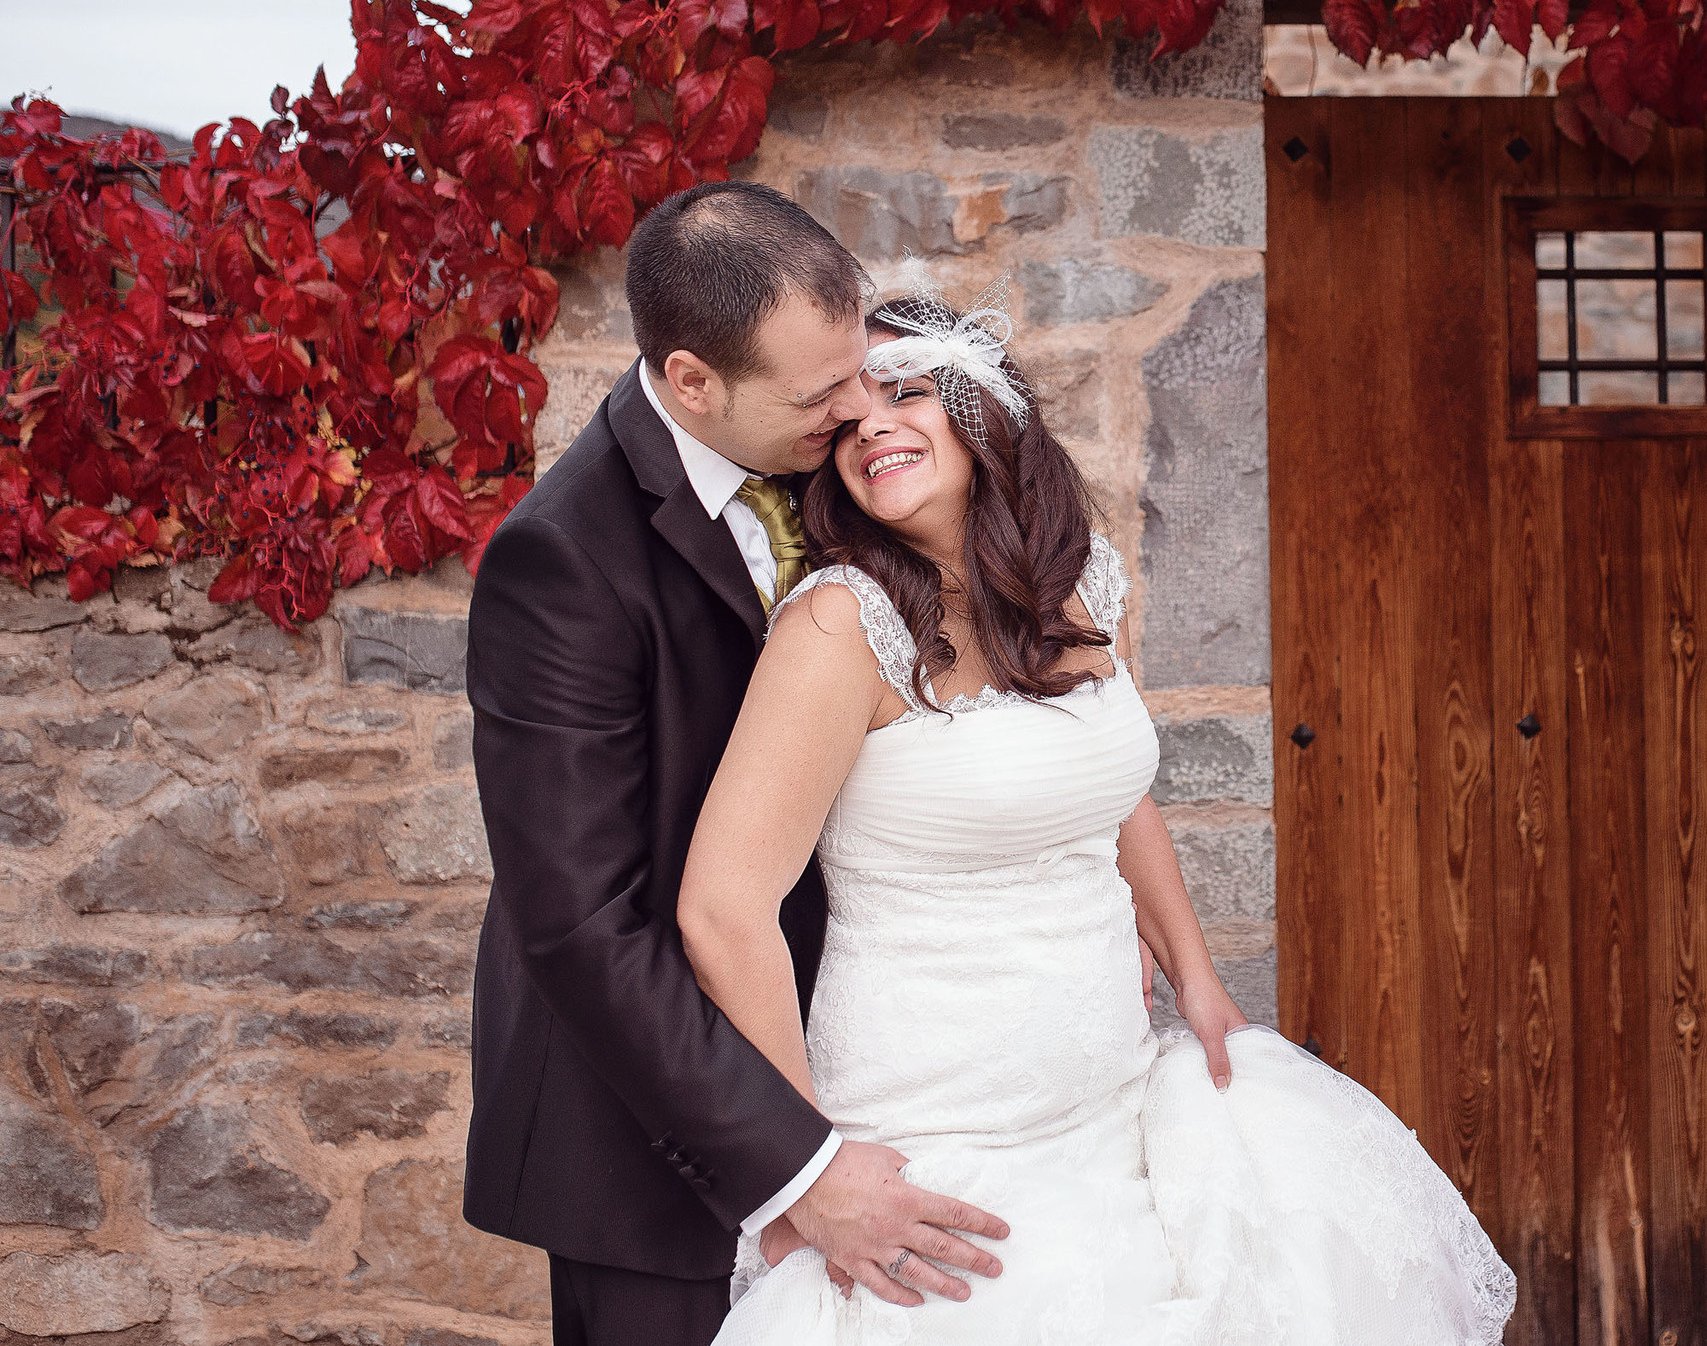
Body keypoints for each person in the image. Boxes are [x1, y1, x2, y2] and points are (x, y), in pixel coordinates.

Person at [678, 281, 1517, 1343]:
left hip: (1116, 1094)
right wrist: (805, 1167)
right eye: (846, 419)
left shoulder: (1080, 585)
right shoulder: (843, 627)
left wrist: (1199, 982)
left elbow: (1113, 798)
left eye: (905, 392)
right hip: (938, 1130)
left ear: (980, 407)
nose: (871, 426)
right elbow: (723, 908)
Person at [465, 182, 1011, 1346]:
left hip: (875, 1060)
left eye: (862, 366)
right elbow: (579, 924)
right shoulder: (558, 563)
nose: (862, 407)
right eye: (822, 393)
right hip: (655, 1145)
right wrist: (795, 1165)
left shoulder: (827, 456)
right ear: (690, 381)